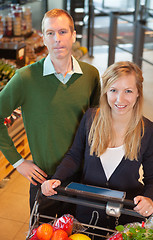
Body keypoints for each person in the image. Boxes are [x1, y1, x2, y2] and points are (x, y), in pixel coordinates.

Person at [0, 9, 100, 216]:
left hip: (84, 177)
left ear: (73, 35)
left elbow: (97, 123)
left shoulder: (90, 75)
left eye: (63, 32)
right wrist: (17, 162)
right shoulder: (25, 78)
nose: (57, 39)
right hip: (45, 180)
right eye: (50, 33)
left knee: (80, 233)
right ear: (43, 38)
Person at [41, 61, 153, 232]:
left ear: (138, 94)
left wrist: (149, 198)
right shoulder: (91, 119)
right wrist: (57, 178)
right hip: (86, 212)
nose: (120, 99)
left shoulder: (148, 131)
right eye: (113, 90)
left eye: (128, 91)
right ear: (105, 92)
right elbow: (74, 155)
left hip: (126, 217)